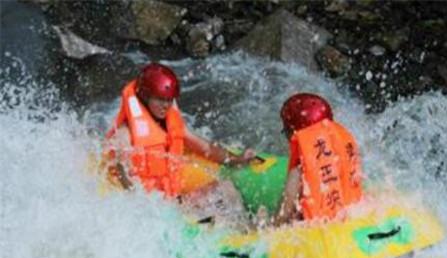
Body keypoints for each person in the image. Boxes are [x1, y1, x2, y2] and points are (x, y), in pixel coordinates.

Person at [102, 63, 256, 223]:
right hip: (153, 207)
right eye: (160, 100)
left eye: (169, 100)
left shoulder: (170, 123)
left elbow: (205, 149)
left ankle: (249, 234)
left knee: (226, 189)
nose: (165, 106)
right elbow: (121, 166)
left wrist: (236, 159)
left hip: (173, 200)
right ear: (146, 96)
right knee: (216, 218)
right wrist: (141, 206)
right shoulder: (125, 131)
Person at [274, 93, 363, 226]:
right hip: (350, 227)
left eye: (286, 131)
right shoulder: (345, 156)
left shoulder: (298, 173)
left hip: (315, 236)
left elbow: (282, 218)